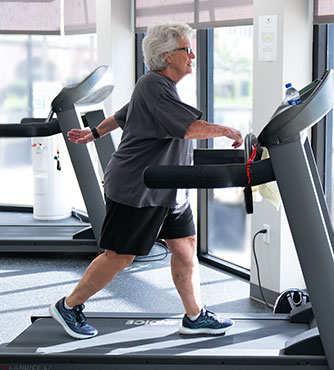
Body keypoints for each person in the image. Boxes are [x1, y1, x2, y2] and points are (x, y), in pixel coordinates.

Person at [49, 21, 243, 339]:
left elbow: (125, 113)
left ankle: (194, 316)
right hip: (139, 187)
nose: (193, 55)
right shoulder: (154, 85)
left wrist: (95, 131)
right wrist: (225, 130)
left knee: (184, 247)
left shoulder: (157, 86)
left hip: (169, 187)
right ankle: (68, 306)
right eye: (187, 49)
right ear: (167, 55)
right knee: (120, 255)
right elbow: (187, 128)